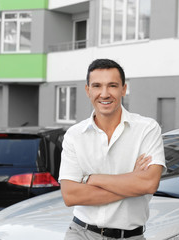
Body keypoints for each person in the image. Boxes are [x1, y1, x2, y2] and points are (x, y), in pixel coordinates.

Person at [59, 58, 166, 240]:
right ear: (88, 90)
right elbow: (70, 195)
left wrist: (91, 179)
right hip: (81, 234)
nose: (104, 93)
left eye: (112, 86)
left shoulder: (147, 128)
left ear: (124, 89)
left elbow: (148, 184)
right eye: (97, 86)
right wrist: (132, 182)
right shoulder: (74, 135)